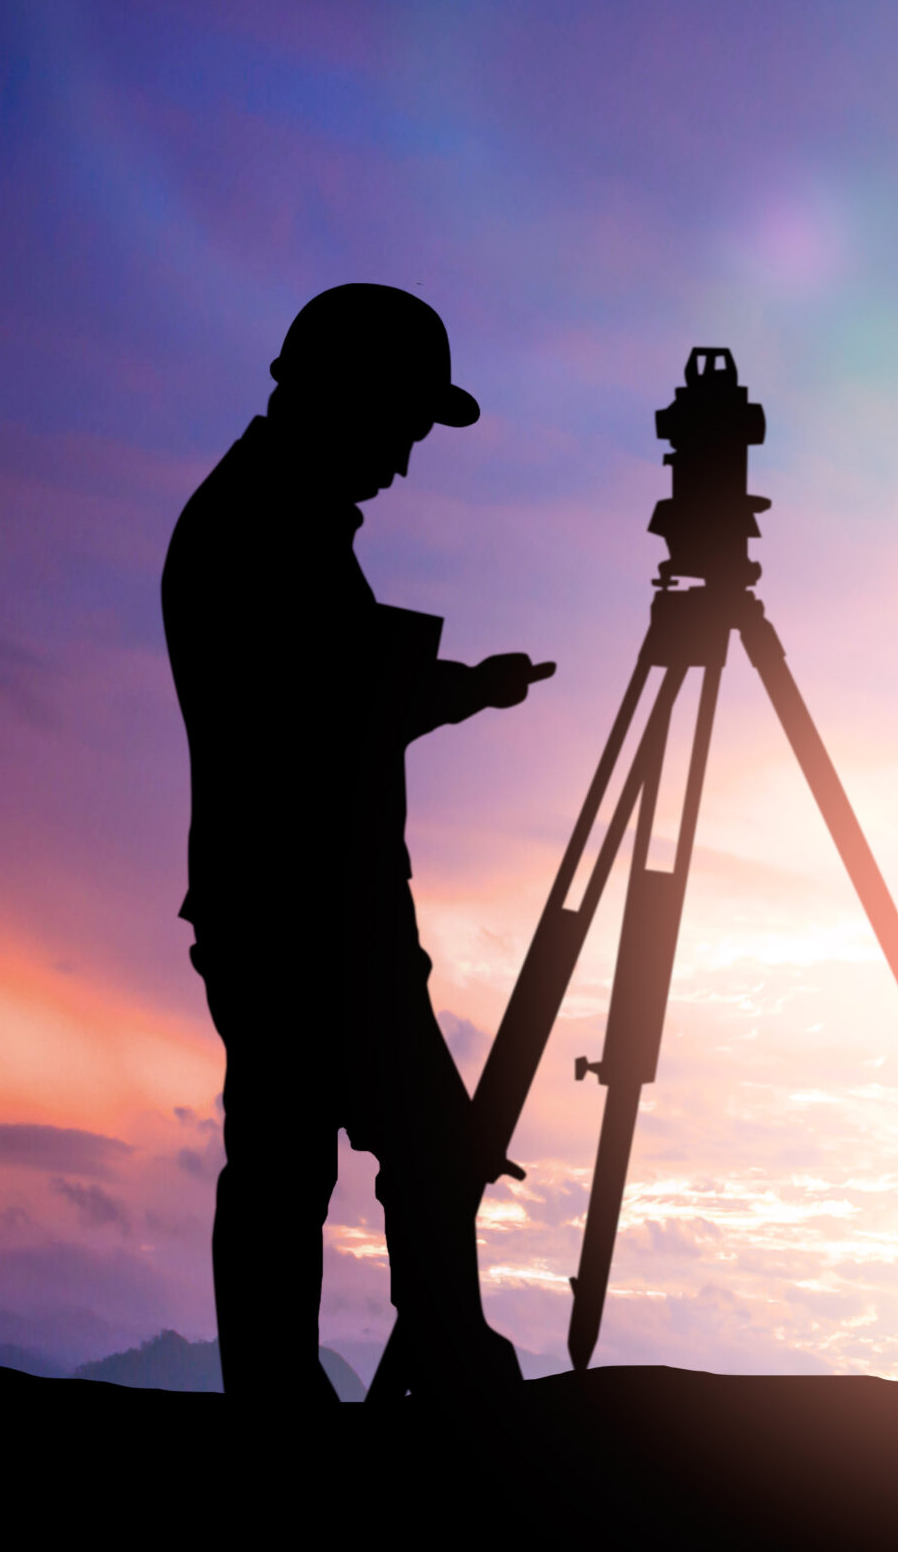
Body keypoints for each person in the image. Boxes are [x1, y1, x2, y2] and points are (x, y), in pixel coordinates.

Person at [162, 283, 555, 1403]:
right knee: (388, 1152)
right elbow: (313, 710)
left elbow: (328, 691)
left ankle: (378, 1377)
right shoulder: (259, 526)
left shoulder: (274, 519)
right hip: (306, 915)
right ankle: (415, 1381)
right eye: (401, 424)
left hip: (311, 908)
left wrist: (459, 690)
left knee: (332, 1157)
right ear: (344, 396)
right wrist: (444, 693)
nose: (405, 456)